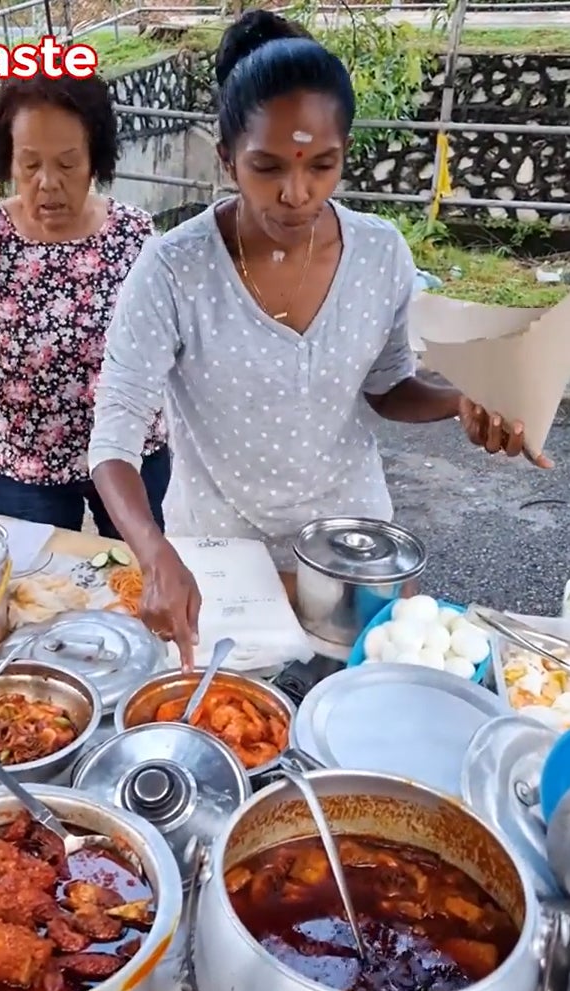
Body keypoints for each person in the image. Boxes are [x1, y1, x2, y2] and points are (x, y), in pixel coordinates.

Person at [88, 10, 551, 666]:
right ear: (225, 159)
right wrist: (153, 552)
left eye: (321, 165)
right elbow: (113, 441)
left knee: (362, 729)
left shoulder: (379, 253)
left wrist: (459, 399)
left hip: (354, 553)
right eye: (266, 167)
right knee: (234, 731)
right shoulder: (173, 269)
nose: (295, 194)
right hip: (221, 562)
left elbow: (388, 387)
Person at [0, 72, 170, 536]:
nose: (48, 183)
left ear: (94, 160)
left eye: (67, 164)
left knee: (143, 582)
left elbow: (171, 344)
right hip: (27, 462)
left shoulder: (134, 234)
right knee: (35, 588)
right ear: (8, 163)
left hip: (129, 451)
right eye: (30, 165)